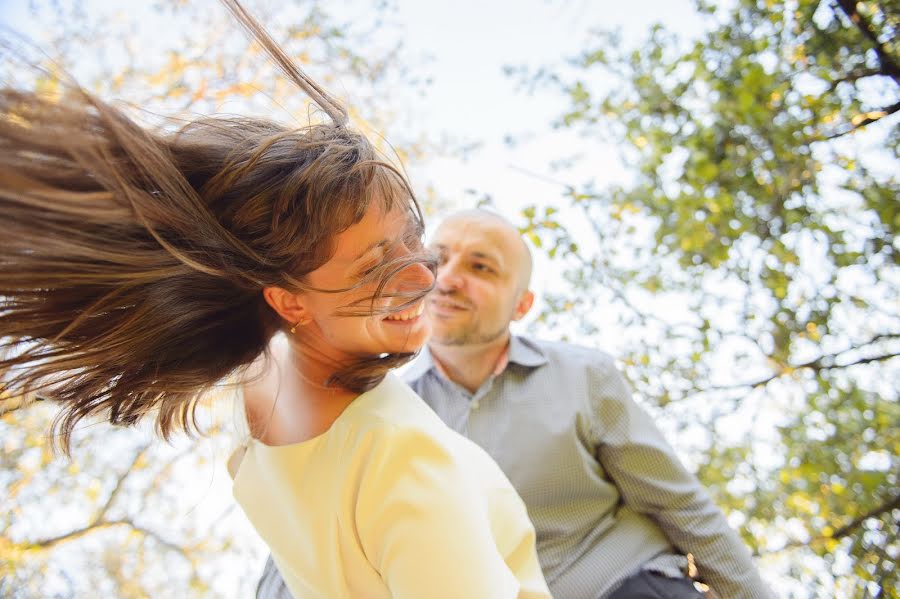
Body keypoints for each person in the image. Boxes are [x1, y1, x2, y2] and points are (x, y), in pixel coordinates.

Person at [0, 3, 551, 597]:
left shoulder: (257, 397)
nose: (424, 279)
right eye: (375, 269)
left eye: (413, 238)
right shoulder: (399, 456)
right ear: (289, 302)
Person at [259, 209, 775, 599]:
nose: (448, 277)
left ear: (522, 304)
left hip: (628, 585)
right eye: (436, 260)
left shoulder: (583, 377)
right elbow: (299, 547)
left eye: (481, 267)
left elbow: (680, 505)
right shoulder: (375, 414)